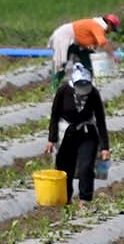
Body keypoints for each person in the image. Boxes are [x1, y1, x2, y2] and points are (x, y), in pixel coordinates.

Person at [45, 63, 110, 205]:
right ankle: (65, 199)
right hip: (67, 134)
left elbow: (100, 119)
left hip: (87, 134)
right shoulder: (63, 91)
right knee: (64, 168)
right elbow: (55, 115)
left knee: (86, 166)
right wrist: (52, 139)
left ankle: (84, 200)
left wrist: (105, 147)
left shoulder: (93, 93)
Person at [47, 13, 118, 86]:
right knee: (61, 64)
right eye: (112, 29)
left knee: (89, 62)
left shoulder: (98, 26)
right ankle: (54, 87)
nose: (111, 31)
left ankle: (86, 85)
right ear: (109, 23)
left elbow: (90, 43)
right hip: (65, 36)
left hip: (78, 42)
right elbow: (103, 43)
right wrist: (113, 56)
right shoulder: (98, 26)